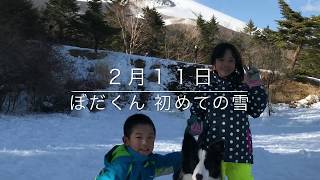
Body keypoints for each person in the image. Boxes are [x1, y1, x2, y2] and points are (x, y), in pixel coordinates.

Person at [187, 42, 267, 180]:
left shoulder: (241, 88)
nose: (226, 64)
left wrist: (255, 86)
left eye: (231, 60)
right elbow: (197, 112)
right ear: (214, 63)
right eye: (221, 60)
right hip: (211, 151)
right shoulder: (206, 88)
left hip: (240, 149)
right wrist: (194, 122)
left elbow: (255, 110)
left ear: (236, 63)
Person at [95, 114, 181, 180]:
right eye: (139, 137)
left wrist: (190, 154)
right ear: (126, 141)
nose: (145, 142)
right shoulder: (121, 165)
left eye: (150, 137)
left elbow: (169, 161)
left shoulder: (149, 161)